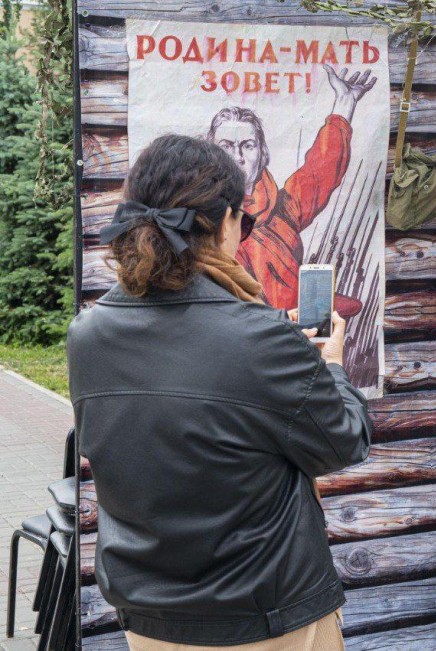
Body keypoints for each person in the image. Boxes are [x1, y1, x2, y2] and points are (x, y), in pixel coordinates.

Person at [68, 135, 372, 649]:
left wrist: (283, 357)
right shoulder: (261, 339)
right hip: (264, 619)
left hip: (148, 617)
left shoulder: (87, 334)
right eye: (244, 221)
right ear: (226, 221)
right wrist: (332, 366)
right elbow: (344, 441)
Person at [206, 65, 377, 312]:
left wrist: (345, 102)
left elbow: (320, 170)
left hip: (295, 327)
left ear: (262, 154)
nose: (238, 157)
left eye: (247, 145)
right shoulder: (200, 217)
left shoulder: (280, 208)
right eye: (226, 146)